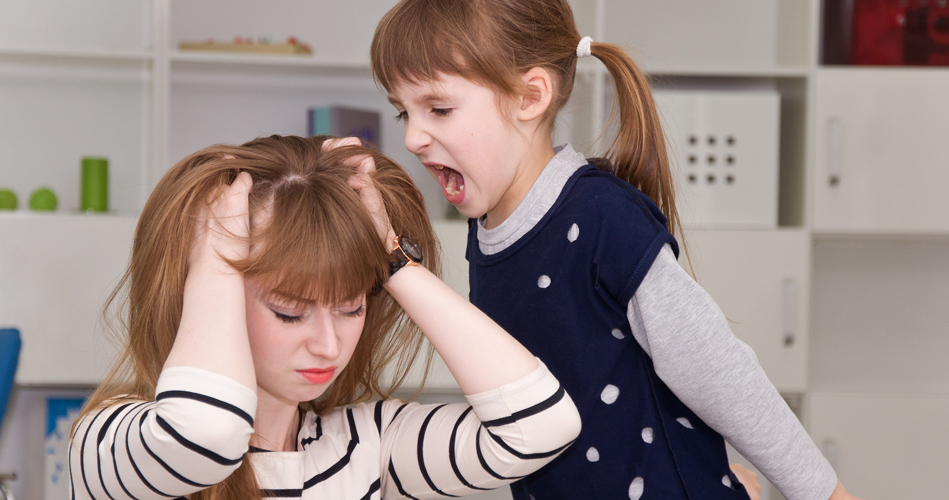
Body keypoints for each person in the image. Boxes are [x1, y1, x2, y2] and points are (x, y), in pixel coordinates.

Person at [369, 1, 863, 499]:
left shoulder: (601, 215)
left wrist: (821, 490)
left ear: (530, 96)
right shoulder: (489, 229)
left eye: (439, 109)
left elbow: (716, 369)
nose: (412, 137)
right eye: (402, 111)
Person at [68, 135, 581, 500]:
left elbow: (541, 426)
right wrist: (213, 255)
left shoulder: (368, 445)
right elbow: (205, 433)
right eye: (289, 312)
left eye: (352, 305)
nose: (329, 345)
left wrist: (394, 259)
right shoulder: (107, 443)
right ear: (208, 294)